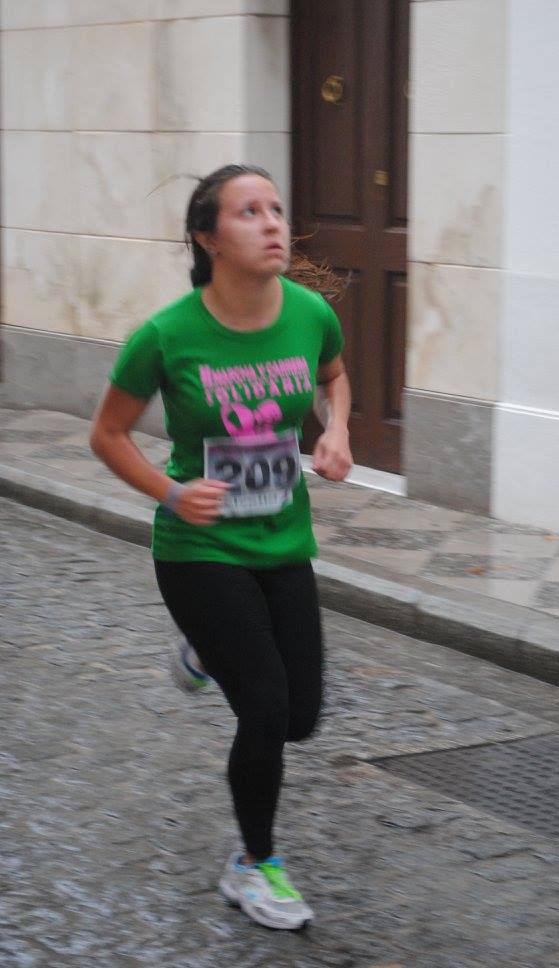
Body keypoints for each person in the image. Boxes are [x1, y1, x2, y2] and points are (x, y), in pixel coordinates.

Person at [89, 164, 352, 931]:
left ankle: (205, 651)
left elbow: (334, 378)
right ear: (208, 238)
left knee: (301, 717)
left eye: (276, 209)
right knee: (265, 706)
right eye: (249, 212)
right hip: (198, 547)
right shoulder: (166, 336)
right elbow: (108, 434)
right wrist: (171, 492)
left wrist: (336, 428)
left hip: (282, 538)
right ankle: (253, 866)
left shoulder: (309, 313)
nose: (273, 224)